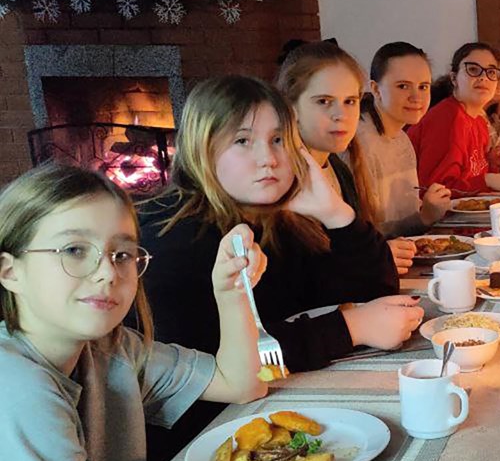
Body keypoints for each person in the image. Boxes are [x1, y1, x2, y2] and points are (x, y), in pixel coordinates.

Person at [0, 164, 266, 461]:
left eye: (122, 254)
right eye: (74, 250)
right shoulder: (15, 384)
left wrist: (230, 291)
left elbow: (241, 384)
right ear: (10, 271)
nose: (107, 272)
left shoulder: (112, 349)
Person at [139, 77, 417, 398]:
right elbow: (210, 363)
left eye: (278, 139)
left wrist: (337, 215)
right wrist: (351, 328)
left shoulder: (279, 218)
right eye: (242, 141)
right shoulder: (170, 237)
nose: (268, 158)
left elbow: (375, 295)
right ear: (201, 149)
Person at [277, 41, 416, 275]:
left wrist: (375, 254)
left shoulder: (338, 168)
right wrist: (372, 257)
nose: (341, 115)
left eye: (350, 101)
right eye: (324, 101)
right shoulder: (280, 181)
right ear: (291, 108)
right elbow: (300, 277)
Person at [356, 42, 451, 236]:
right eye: (403, 86)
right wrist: (424, 217)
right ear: (375, 89)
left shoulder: (401, 138)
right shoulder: (360, 142)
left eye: (423, 87)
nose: (416, 97)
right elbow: (362, 235)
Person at [407, 42, 500, 198]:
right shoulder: (447, 118)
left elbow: (471, 177)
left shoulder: (479, 121)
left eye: (491, 72)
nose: (483, 77)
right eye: (473, 69)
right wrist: (489, 179)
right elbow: (436, 191)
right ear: (454, 78)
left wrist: (493, 163)